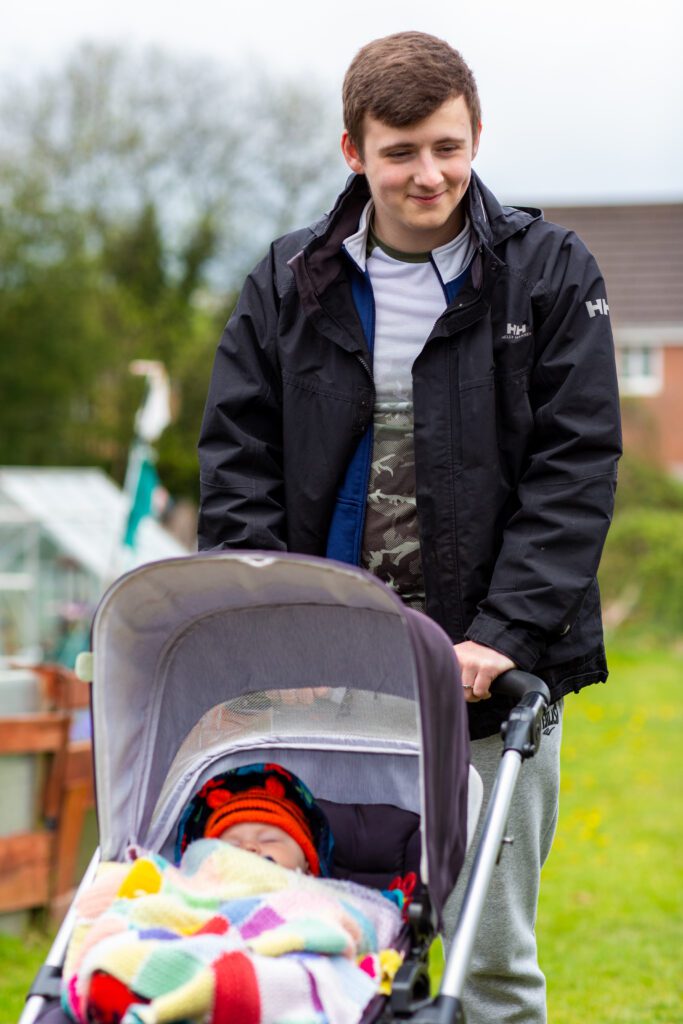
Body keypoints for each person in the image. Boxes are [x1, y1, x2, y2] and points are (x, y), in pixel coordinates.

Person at [197, 30, 621, 1023]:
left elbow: (575, 471)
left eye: (446, 145)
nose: (426, 174)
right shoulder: (285, 282)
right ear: (354, 152)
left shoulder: (548, 275)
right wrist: (277, 626)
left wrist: (501, 637)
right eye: (399, 151)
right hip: (327, 676)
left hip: (486, 679)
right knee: (331, 934)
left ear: (475, 134)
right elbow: (237, 468)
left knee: (491, 957)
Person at [175, 761, 334, 876]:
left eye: (269, 840)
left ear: (308, 867)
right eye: (232, 845)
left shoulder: (325, 904)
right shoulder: (194, 901)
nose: (248, 847)